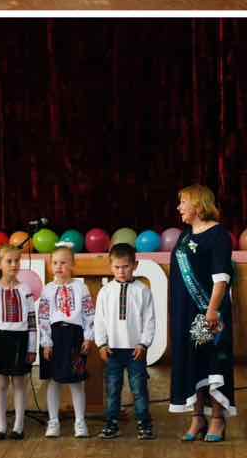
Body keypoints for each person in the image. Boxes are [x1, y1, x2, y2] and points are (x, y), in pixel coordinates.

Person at [167, 183, 234, 441]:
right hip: (184, 314)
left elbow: (221, 278)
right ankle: (197, 418)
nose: (179, 207)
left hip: (208, 313)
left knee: (213, 362)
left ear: (197, 204)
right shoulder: (184, 236)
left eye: (183, 202)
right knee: (190, 362)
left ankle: (217, 419)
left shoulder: (218, 235)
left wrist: (213, 310)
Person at [93, 243, 156, 441]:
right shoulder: (105, 291)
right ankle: (111, 424)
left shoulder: (143, 290)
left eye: (126, 266)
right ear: (110, 267)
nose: (121, 271)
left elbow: (149, 320)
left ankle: (144, 425)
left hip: (135, 350)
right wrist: (101, 344)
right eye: (117, 267)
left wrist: (144, 343)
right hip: (112, 350)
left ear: (135, 265)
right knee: (113, 389)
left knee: (139, 389)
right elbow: (99, 320)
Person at [0, 245, 37, 440]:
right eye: (9, 261)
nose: (14, 265)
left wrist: (31, 347)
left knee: (19, 382)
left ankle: (18, 426)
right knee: (2, 382)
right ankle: (1, 426)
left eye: (17, 261)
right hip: (0, 339)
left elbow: (32, 321)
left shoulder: (25, 290)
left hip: (20, 339)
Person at [39, 242, 93, 438]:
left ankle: (80, 421)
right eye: (55, 263)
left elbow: (88, 313)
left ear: (72, 265)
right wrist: (46, 342)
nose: (59, 267)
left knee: (76, 381)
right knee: (53, 381)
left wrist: (88, 336)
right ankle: (53, 421)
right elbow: (43, 316)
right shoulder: (47, 289)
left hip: (74, 337)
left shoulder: (81, 287)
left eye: (63, 262)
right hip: (54, 337)